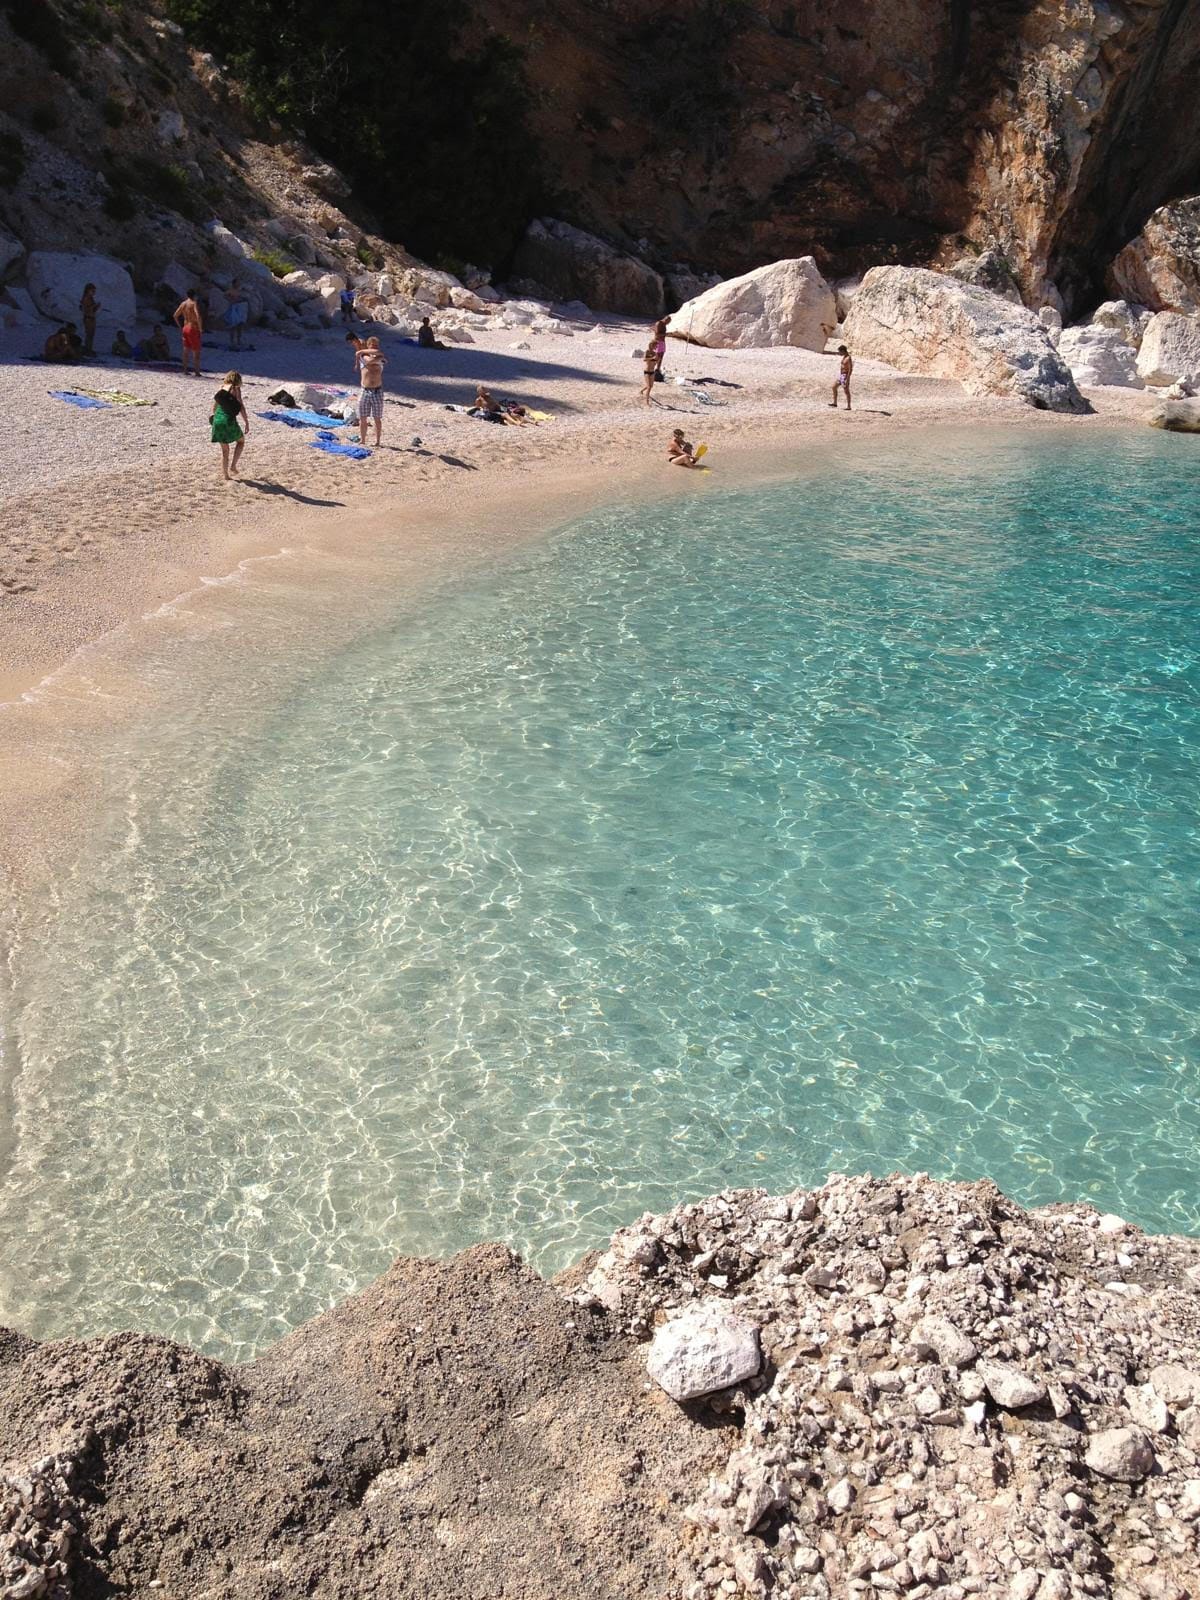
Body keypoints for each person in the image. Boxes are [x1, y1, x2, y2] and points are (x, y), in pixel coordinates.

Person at [209, 370, 249, 480]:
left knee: (225, 451)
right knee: (241, 441)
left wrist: (215, 418)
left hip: (217, 420)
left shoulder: (222, 388)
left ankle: (226, 475)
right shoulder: (236, 389)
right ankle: (233, 466)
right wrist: (246, 421)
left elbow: (214, 408)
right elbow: (241, 406)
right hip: (228, 420)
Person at [355, 335, 386, 446]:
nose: (374, 348)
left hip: (377, 391)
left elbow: (378, 356)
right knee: (363, 417)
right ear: (368, 346)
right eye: (372, 346)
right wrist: (376, 357)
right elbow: (368, 361)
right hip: (365, 390)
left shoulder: (378, 356)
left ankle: (377, 441)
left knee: (377, 418)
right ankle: (363, 440)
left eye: (376, 345)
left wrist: (362, 351)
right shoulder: (363, 357)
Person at [174, 288, 204, 376]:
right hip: (193, 327)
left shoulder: (183, 303)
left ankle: (185, 370)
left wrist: (180, 326)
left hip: (185, 327)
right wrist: (200, 328)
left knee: (186, 350)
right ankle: (197, 372)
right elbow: (198, 316)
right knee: (196, 351)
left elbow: (175, 315)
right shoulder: (194, 303)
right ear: (194, 295)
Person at [225, 280, 248, 352]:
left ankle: (238, 340)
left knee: (240, 325)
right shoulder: (230, 291)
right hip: (234, 308)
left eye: (238, 283)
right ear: (233, 284)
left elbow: (245, 298)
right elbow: (225, 296)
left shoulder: (241, 291)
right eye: (236, 283)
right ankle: (232, 341)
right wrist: (231, 300)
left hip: (241, 308)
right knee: (233, 325)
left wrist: (243, 299)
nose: (238, 284)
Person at [829, 344, 853, 410]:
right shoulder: (844, 357)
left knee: (846, 391)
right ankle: (835, 403)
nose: (840, 353)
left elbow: (850, 369)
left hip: (845, 376)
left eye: (840, 352)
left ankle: (849, 406)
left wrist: (847, 379)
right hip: (841, 375)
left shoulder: (848, 358)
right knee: (834, 387)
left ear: (843, 351)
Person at [80, 283, 99, 356]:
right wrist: (93, 306)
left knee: (91, 335)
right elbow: (87, 309)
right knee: (89, 335)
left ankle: (89, 349)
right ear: (88, 290)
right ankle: (87, 350)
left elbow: (93, 310)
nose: (94, 292)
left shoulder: (91, 298)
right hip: (88, 318)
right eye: (92, 291)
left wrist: (96, 307)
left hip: (91, 318)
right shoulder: (86, 298)